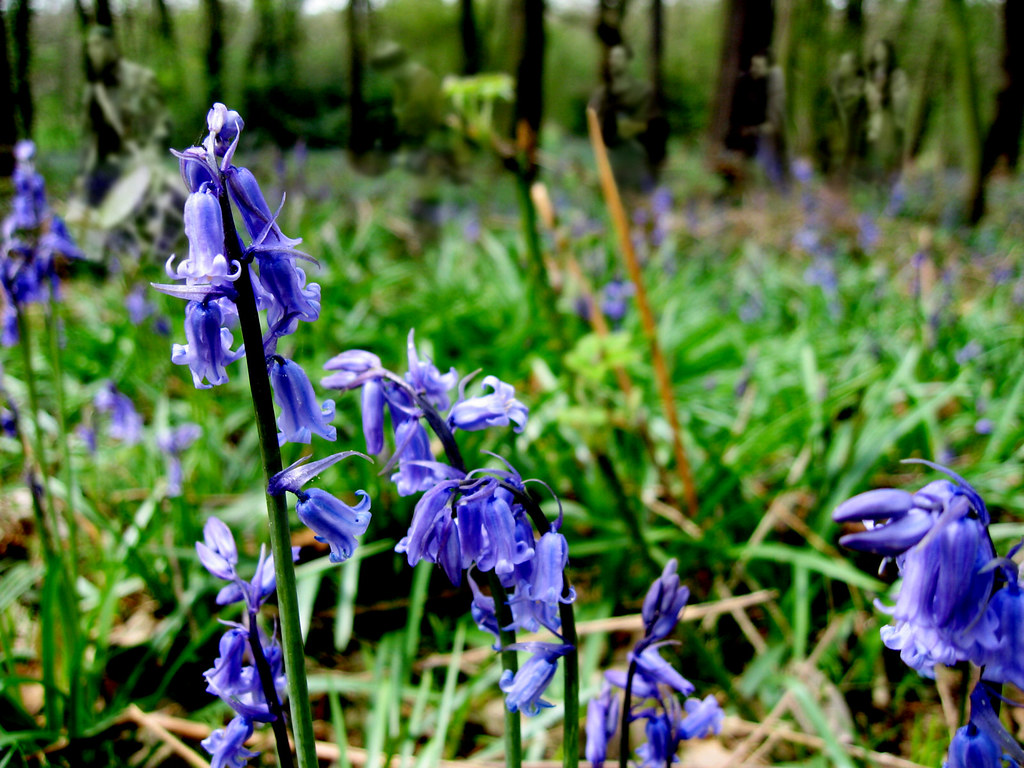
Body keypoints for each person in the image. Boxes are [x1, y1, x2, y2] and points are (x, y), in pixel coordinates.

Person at [81, 25, 168, 204]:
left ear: (112, 45)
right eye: (89, 46)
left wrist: (151, 156)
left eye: (98, 44)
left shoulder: (140, 79)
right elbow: (89, 137)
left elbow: (161, 124)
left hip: (139, 170)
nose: (93, 51)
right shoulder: (93, 91)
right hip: (104, 179)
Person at [590, 44, 666, 191]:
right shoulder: (602, 94)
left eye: (618, 57)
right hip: (610, 160)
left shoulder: (643, 91)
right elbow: (596, 125)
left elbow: (650, 124)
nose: (613, 61)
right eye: (611, 57)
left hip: (637, 159)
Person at [728, 51, 789, 190]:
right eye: (754, 65)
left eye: (759, 66)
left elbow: (774, 118)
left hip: (763, 135)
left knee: (767, 163)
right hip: (746, 134)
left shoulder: (770, 86)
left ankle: (773, 190)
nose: (755, 69)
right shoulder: (745, 83)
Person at [864, 39, 908, 181]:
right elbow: (865, 92)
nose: (880, 53)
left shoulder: (897, 74)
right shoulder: (870, 74)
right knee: (871, 149)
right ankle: (871, 179)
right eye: (877, 50)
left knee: (886, 150)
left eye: (883, 50)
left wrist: (887, 98)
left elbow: (902, 97)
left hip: (888, 117)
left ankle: (886, 179)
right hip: (871, 118)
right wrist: (872, 97)